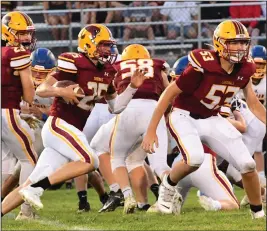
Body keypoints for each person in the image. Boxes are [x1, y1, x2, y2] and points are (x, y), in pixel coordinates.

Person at [1, 24, 148, 216]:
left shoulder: (107, 71)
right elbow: (41, 90)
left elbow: (116, 107)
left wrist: (132, 88)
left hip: (69, 130)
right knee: (90, 160)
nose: (108, 50)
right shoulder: (74, 61)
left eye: (109, 45)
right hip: (59, 124)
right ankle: (37, 188)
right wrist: (61, 91)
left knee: (30, 182)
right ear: (88, 43)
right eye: (103, 45)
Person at [141, 20, 266, 219]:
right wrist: (151, 129)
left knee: (247, 165)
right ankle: (168, 185)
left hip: (212, 117)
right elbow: (168, 94)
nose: (240, 48)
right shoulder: (203, 65)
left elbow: (252, 102)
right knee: (194, 158)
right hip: (184, 116)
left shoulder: (246, 68)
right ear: (219, 43)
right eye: (234, 42)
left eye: (243, 43)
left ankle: (258, 213)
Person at [91, 44, 170, 214]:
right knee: (154, 164)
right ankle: (162, 198)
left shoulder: (117, 67)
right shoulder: (157, 65)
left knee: (115, 155)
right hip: (154, 111)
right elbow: (168, 89)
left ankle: (124, 195)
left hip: (128, 110)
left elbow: (110, 96)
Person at [1, 11, 37, 220]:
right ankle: (26, 211)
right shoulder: (18, 53)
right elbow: (29, 94)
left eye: (28, 33)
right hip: (8, 111)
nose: (27, 38)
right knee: (30, 160)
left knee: (5, 161)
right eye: (22, 33)